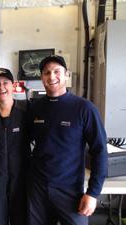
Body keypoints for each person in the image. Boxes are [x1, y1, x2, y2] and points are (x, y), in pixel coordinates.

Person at [27, 55, 108, 225]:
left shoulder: (84, 109)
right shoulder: (35, 108)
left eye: (57, 71)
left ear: (66, 75)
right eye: (47, 73)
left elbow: (100, 151)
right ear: (42, 77)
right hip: (38, 191)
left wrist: (93, 193)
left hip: (70, 191)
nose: (52, 76)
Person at [0, 68, 30, 225]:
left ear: (13, 85)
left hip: (21, 178)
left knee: (21, 220)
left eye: (5, 83)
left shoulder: (26, 110)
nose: (1, 87)